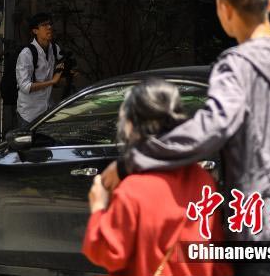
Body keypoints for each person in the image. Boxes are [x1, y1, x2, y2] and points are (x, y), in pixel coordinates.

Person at [102, 0, 270, 276]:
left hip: (255, 229)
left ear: (223, 8)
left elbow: (212, 127)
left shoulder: (235, 65)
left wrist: (134, 160)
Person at [83, 78, 232, 276]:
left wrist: (99, 207)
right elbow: (216, 252)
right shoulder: (202, 179)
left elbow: (110, 252)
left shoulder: (132, 190)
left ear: (131, 125)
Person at [15, 12, 64, 129]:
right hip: (29, 114)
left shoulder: (54, 48)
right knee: (28, 146)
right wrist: (52, 82)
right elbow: (25, 87)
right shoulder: (26, 54)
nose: (49, 27)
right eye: (44, 25)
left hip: (47, 110)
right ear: (35, 31)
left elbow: (61, 63)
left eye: (50, 24)